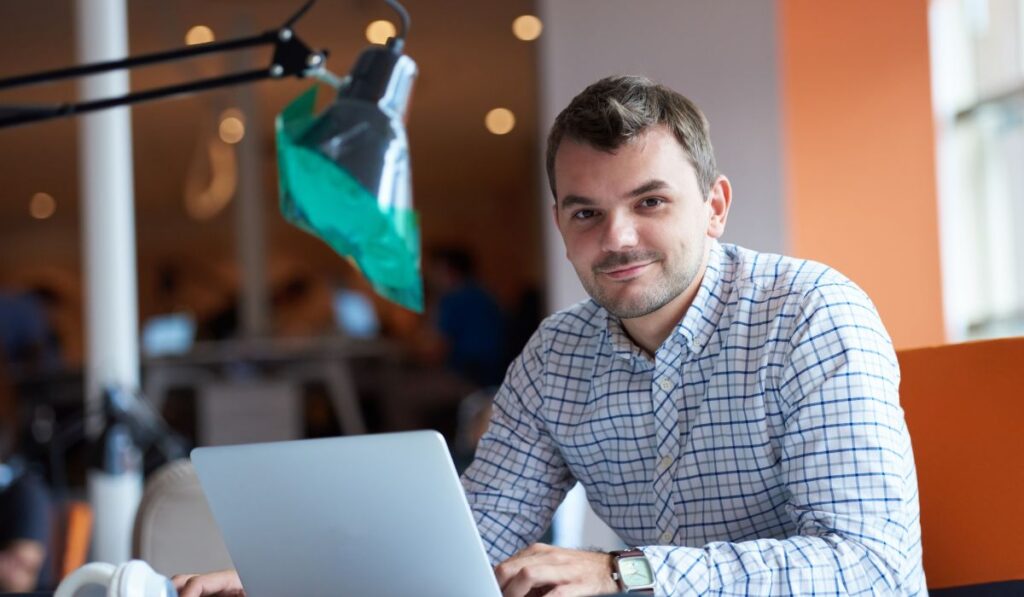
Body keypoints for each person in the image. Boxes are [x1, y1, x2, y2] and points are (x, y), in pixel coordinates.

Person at [173, 75, 925, 596]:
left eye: (651, 200)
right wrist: (288, 583)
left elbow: (870, 567)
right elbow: (472, 548)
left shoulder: (813, 315)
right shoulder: (558, 356)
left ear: (715, 205)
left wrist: (623, 573)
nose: (618, 237)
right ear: (561, 225)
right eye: (585, 212)